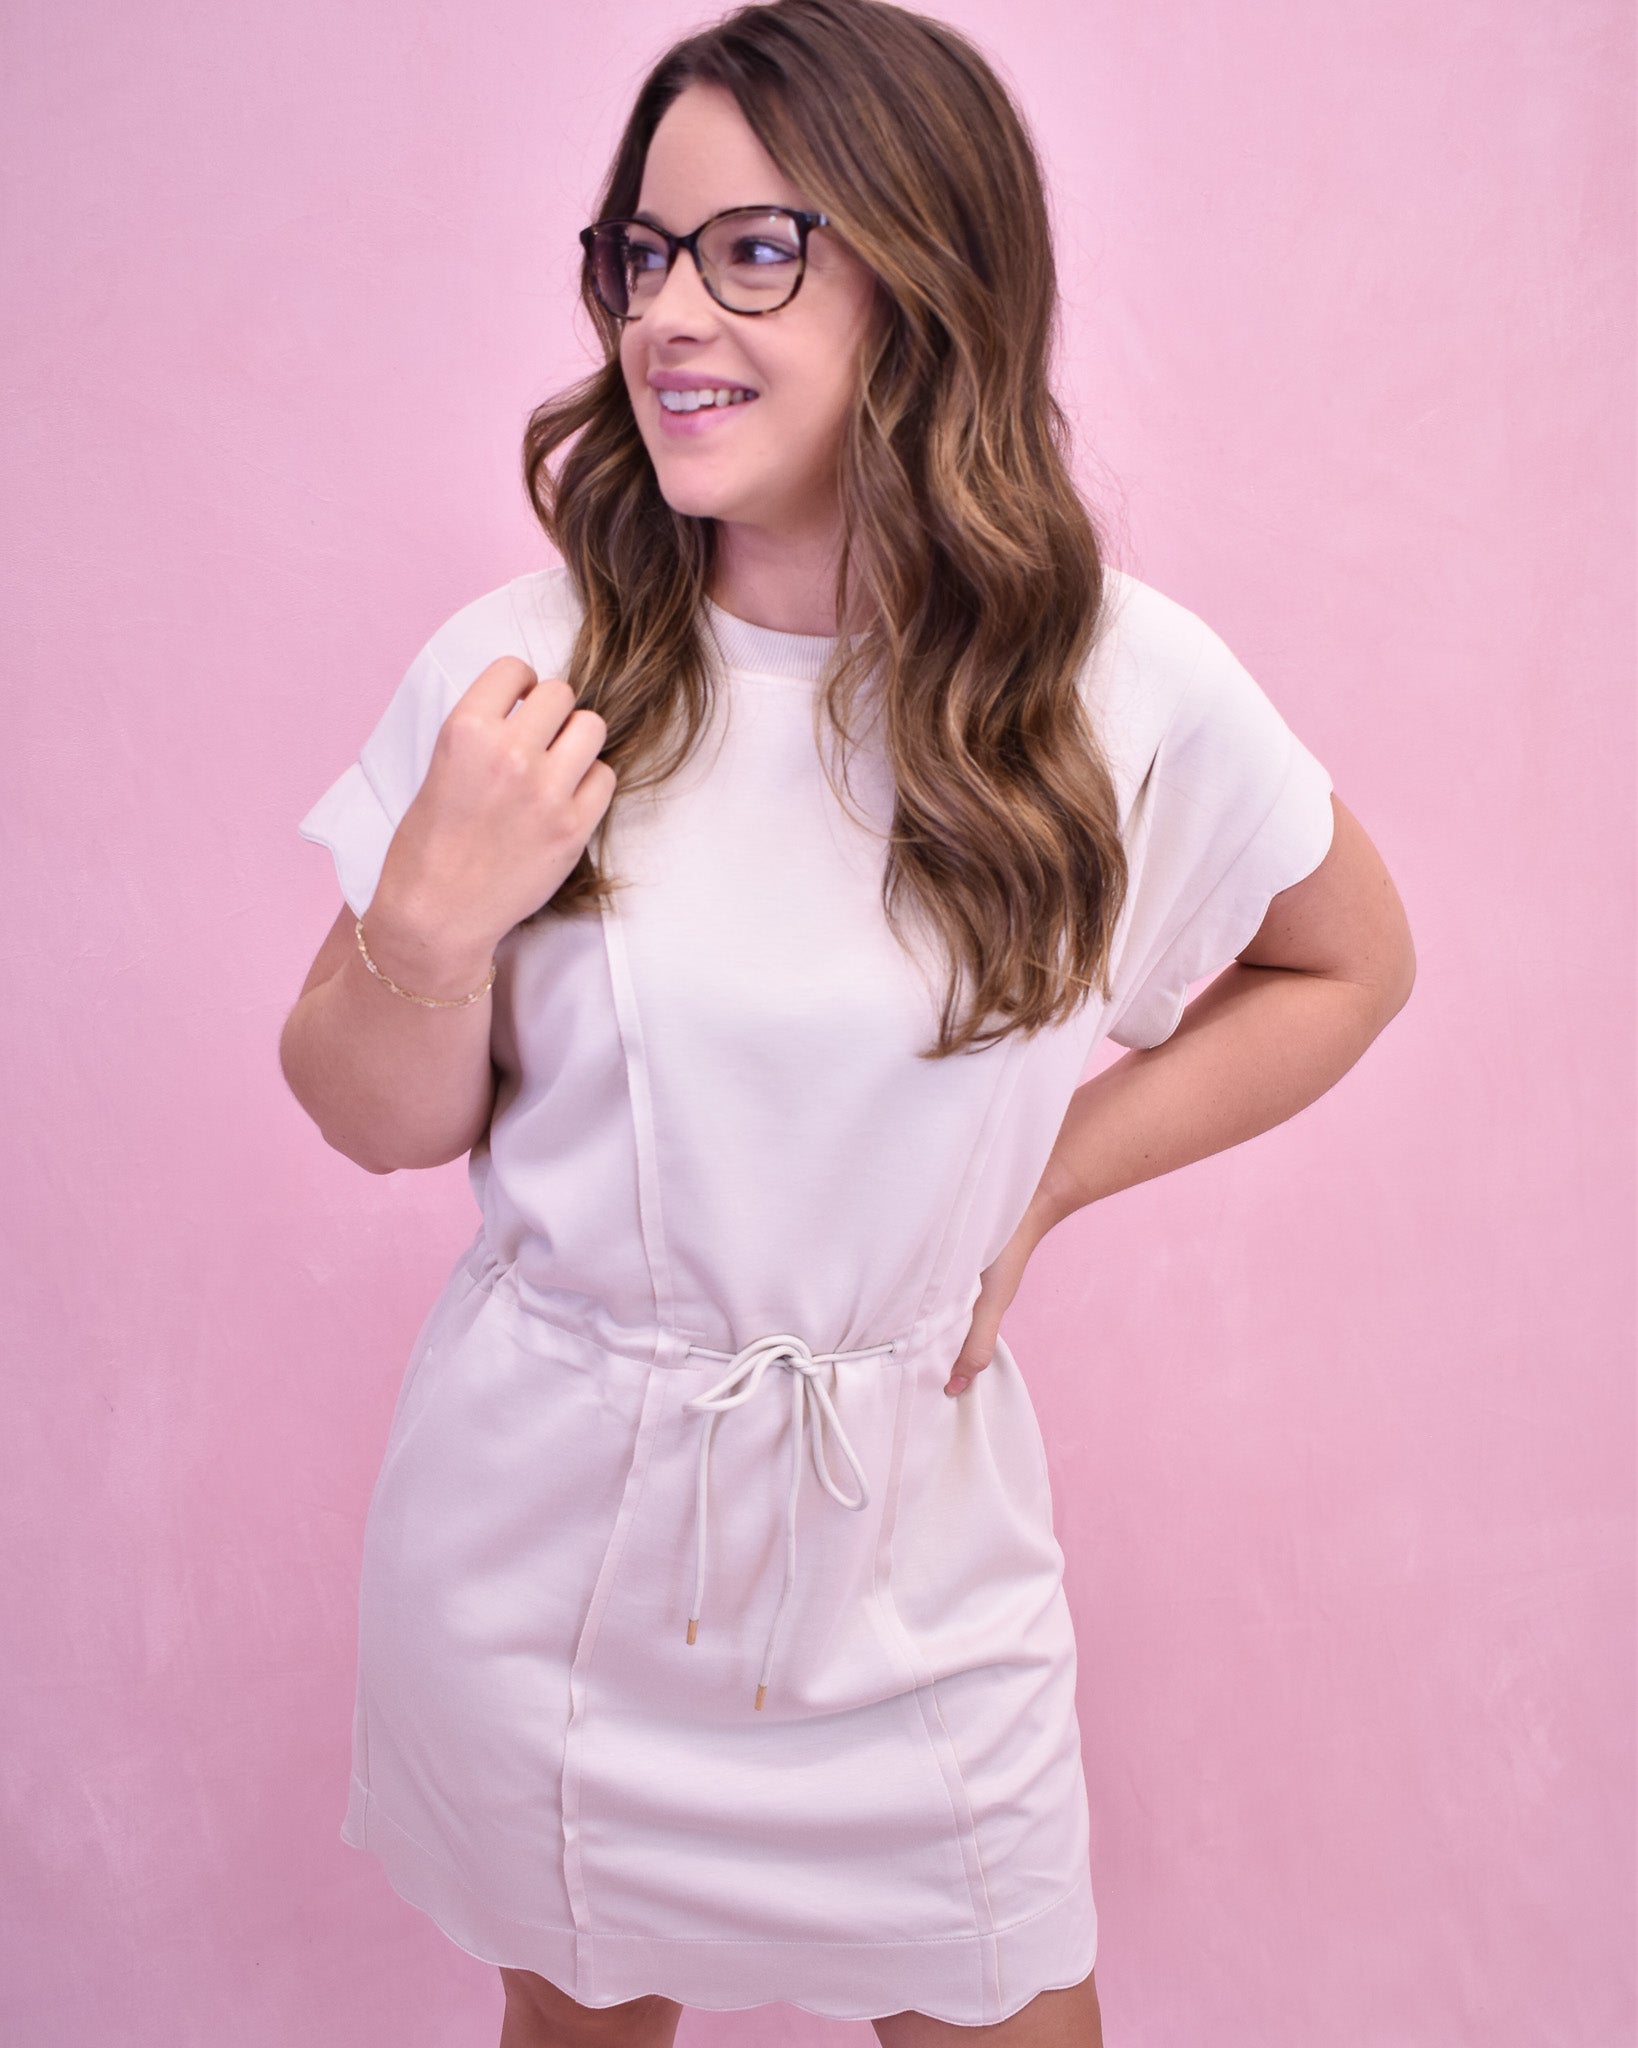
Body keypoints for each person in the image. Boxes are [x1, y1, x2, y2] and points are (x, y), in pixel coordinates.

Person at [279, 2, 1416, 2042]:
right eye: (641, 252)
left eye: (754, 249)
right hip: (547, 1537)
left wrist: (1049, 1177)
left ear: (929, 276)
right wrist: (434, 912)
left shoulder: (1111, 688)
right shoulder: (526, 670)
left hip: (912, 1552)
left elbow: (1350, 959)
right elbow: (363, 1111)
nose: (669, 315)